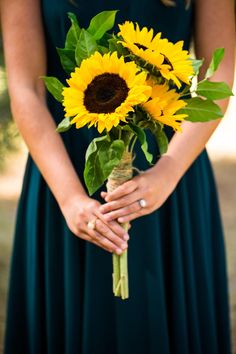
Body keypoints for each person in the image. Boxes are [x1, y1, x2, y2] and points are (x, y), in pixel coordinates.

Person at [1, 0, 235, 353]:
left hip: (170, 169)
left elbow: (216, 74)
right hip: (63, 171)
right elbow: (26, 87)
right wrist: (70, 197)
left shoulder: (170, 170)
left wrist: (168, 170)